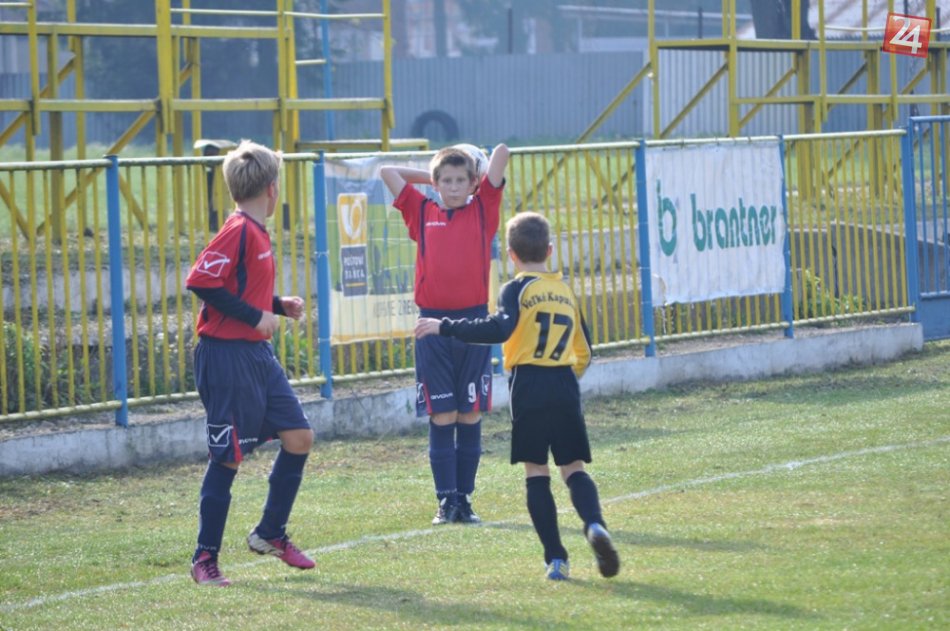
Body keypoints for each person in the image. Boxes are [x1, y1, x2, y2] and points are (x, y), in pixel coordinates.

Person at [415, 212, 620, 581]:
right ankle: (594, 524)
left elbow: (500, 328)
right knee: (573, 468)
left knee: (536, 472)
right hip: (564, 382)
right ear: (550, 250)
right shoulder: (565, 291)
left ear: (511, 255)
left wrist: (445, 326)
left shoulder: (515, 289)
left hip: (528, 383)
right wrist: (565, 376)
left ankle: (556, 559)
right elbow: (585, 351)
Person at [185, 140, 315, 586]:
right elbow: (201, 280)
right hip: (225, 356)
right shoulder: (239, 229)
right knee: (227, 458)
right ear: (273, 188)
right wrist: (257, 316)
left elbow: (236, 285)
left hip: (256, 354)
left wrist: (276, 306)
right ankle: (204, 559)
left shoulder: (255, 231)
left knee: (299, 436)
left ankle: (269, 533)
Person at [380, 143, 509, 525]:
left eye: (460, 181)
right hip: (430, 325)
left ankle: (465, 499)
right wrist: (432, 177)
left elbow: (502, 153)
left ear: (473, 183)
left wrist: (477, 173)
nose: (453, 188)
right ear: (437, 184)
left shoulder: (482, 210)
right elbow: (388, 172)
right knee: (442, 413)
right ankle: (445, 501)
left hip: (473, 325)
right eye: (446, 181)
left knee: (468, 413)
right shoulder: (423, 211)